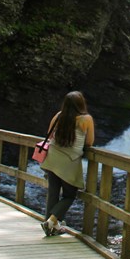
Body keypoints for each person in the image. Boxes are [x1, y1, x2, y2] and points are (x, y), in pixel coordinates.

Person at [39, 90, 94, 236]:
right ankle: (51, 222)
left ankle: (51, 225)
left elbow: (49, 135)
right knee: (69, 195)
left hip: (52, 157)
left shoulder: (58, 116)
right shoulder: (86, 119)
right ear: (81, 104)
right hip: (70, 161)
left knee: (53, 192)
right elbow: (89, 142)